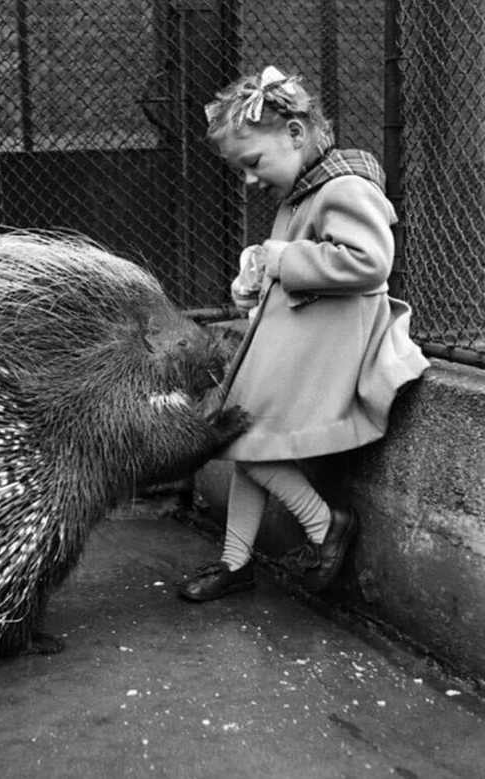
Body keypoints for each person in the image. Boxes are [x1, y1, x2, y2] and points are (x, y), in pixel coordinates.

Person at [179, 66, 430, 601]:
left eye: (252, 163)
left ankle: (324, 525)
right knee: (246, 438)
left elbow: (369, 262)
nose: (249, 180)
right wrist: (257, 278)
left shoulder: (345, 187)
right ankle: (235, 562)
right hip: (296, 348)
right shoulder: (304, 191)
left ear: (295, 134)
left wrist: (281, 259)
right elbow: (300, 264)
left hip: (324, 352)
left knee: (245, 439)